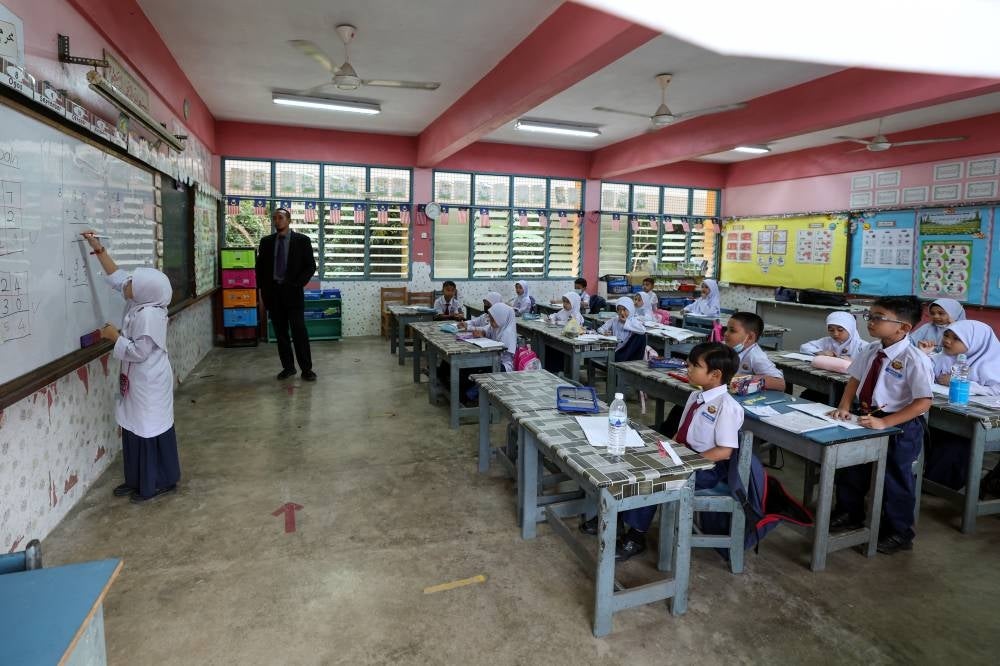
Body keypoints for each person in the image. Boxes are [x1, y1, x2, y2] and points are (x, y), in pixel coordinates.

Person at [612, 343, 746, 560]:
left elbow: (724, 451)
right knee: (635, 459)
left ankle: (636, 536)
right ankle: (617, 518)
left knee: (656, 478)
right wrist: (667, 450)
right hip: (683, 455)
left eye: (695, 366)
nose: (688, 369)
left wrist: (685, 462)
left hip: (707, 467)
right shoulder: (696, 397)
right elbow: (681, 433)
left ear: (715, 374)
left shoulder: (727, 407)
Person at [828, 295, 933, 555]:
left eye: (878, 317)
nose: (870, 322)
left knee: (895, 478)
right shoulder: (872, 349)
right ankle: (849, 513)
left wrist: (885, 422)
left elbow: (923, 402)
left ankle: (899, 532)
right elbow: (854, 379)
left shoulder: (914, 358)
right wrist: (843, 406)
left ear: (904, 327)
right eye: (870, 316)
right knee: (852, 467)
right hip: (867, 418)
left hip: (900, 426)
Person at [81, 231, 180, 504]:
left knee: (149, 429)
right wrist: (98, 249)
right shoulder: (141, 300)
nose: (126, 286)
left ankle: (158, 481)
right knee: (133, 428)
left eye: (132, 284)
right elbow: (117, 277)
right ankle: (136, 478)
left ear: (145, 291)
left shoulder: (150, 315)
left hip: (149, 381)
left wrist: (115, 337)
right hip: (136, 380)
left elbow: (139, 351)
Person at [925, 320, 1000, 489]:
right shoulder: (944, 356)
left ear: (975, 342)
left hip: (982, 422)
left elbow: (995, 390)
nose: (947, 341)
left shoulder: (994, 362)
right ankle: (931, 479)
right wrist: (923, 355)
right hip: (950, 412)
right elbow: (925, 368)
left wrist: (961, 383)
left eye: (956, 338)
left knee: (955, 442)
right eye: (946, 335)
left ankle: (940, 483)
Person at [256, 208, 317, 381]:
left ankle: (306, 369)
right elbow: (260, 269)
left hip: (293, 293)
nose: (277, 221)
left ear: (289, 220)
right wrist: (262, 292)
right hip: (273, 294)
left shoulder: (302, 241)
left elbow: (310, 266)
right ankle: (288, 367)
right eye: (275, 218)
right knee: (281, 334)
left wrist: (297, 284)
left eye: (281, 218)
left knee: (299, 332)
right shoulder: (266, 242)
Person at [723, 312, 786, 391]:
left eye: (732, 330)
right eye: (726, 329)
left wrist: (746, 378)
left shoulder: (756, 357)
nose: (725, 334)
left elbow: (780, 384)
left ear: (750, 337)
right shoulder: (729, 348)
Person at [469, 302, 517, 371]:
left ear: (501, 318)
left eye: (492, 319)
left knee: (477, 367)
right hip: (494, 360)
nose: (490, 322)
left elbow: (500, 355)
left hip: (504, 365)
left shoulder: (507, 333)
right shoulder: (497, 326)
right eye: (490, 319)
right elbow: (485, 329)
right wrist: (481, 333)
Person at [598, 297, 646, 361]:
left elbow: (642, 331)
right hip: (615, 349)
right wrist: (604, 332)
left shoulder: (634, 321)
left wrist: (626, 322)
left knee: (641, 336)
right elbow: (600, 329)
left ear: (630, 309)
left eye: (624, 310)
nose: (622, 313)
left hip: (628, 351)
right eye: (619, 310)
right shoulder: (614, 320)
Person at [800, 312, 867, 358]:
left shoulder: (861, 346)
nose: (835, 334)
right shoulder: (826, 341)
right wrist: (820, 352)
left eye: (840, 330)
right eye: (831, 330)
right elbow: (804, 347)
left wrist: (853, 362)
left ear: (850, 329)